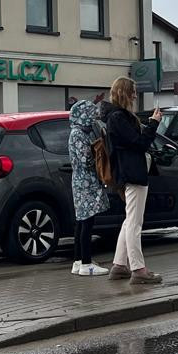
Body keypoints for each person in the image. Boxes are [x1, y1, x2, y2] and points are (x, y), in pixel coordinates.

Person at [105, 75, 164, 285]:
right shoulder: (119, 118)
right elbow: (139, 143)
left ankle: (119, 266)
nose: (136, 95)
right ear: (126, 93)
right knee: (135, 223)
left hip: (127, 172)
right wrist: (153, 125)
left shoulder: (116, 117)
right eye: (133, 91)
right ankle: (139, 269)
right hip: (132, 172)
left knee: (130, 220)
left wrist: (149, 124)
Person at [67, 94, 111, 276]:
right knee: (87, 223)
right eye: (91, 115)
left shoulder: (76, 132)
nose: (94, 119)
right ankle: (86, 263)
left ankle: (78, 261)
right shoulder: (79, 134)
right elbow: (86, 159)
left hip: (81, 182)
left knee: (81, 222)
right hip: (86, 183)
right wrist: (99, 156)